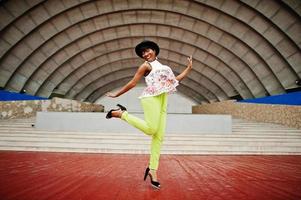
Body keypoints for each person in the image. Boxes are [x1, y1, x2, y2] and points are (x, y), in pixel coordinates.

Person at [106, 40, 192, 189]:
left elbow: (174, 80)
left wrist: (189, 68)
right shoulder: (146, 66)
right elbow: (133, 83)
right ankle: (122, 114)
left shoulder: (165, 67)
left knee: (159, 137)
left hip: (164, 99)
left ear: (155, 50)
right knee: (151, 129)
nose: (145, 54)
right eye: (143, 53)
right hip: (150, 98)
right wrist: (116, 95)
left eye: (148, 50)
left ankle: (153, 170)